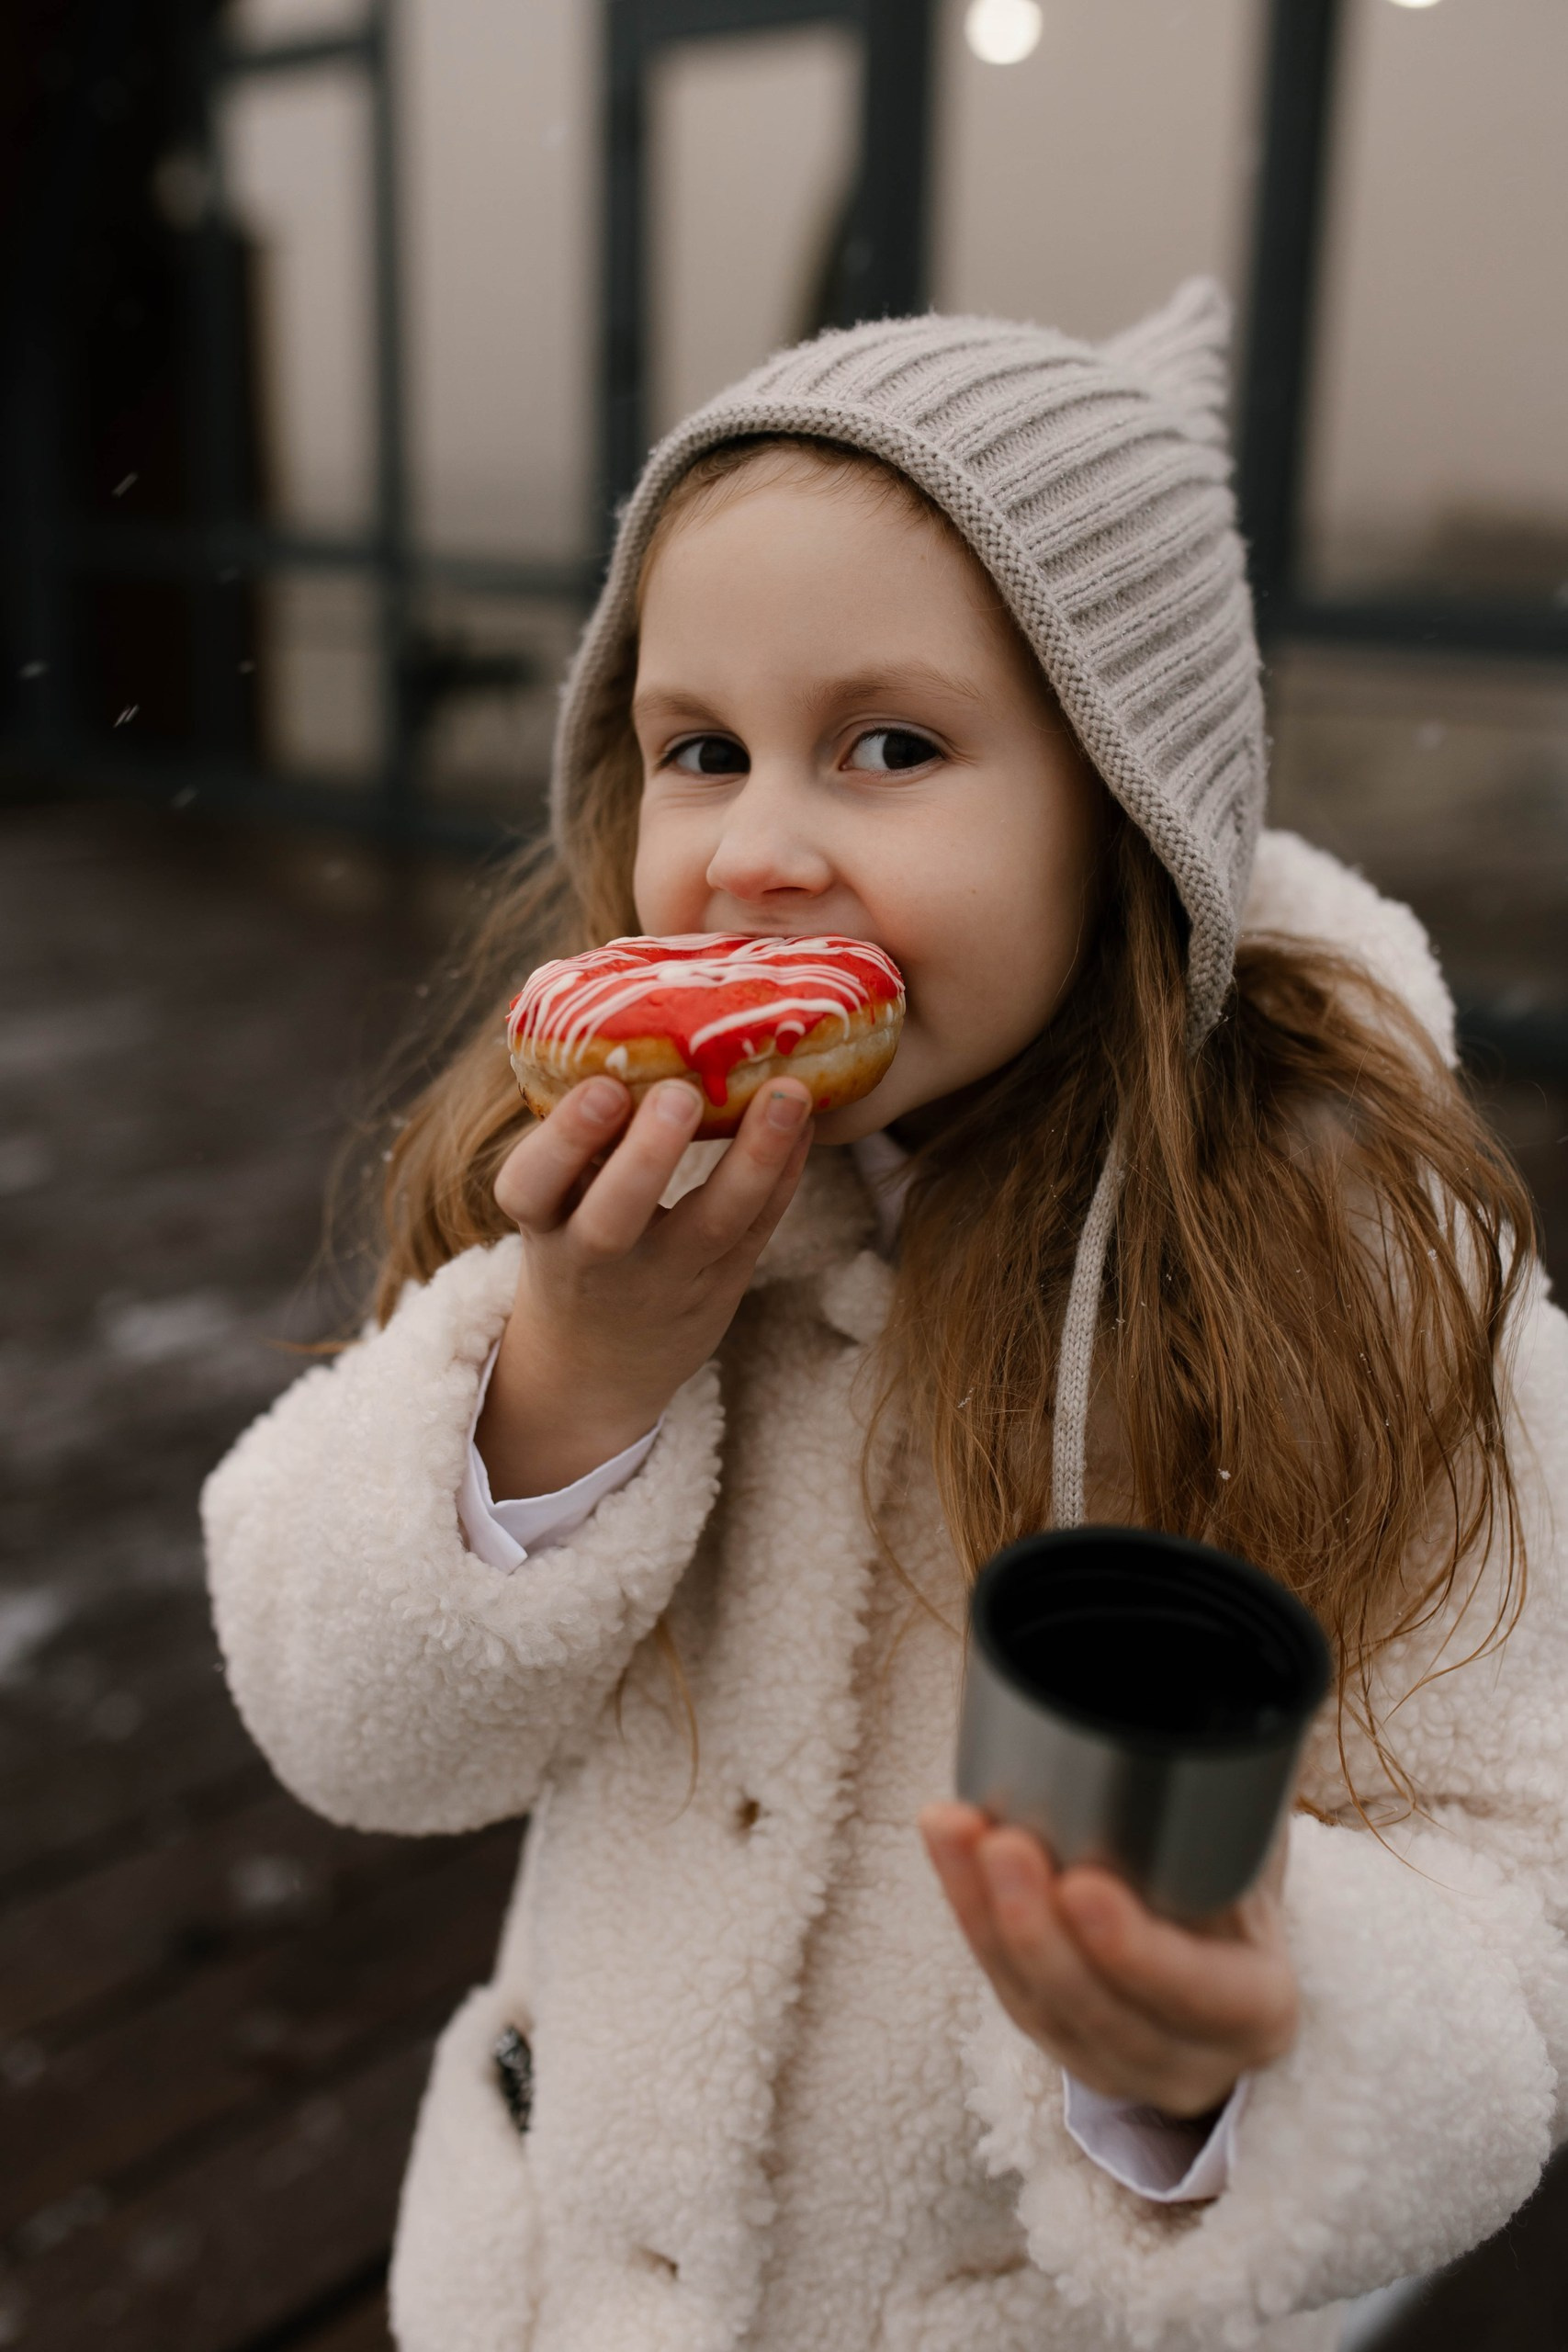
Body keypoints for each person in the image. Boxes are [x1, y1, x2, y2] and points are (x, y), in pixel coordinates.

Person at [203, 282, 1568, 2352]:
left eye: (890, 745)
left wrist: (1235, 2035)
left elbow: (1515, 1896)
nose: (755, 848)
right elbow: (356, 1732)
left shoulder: (1354, 1278)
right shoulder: (598, 1214)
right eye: (699, 751)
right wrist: (569, 1379)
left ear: (1124, 815)